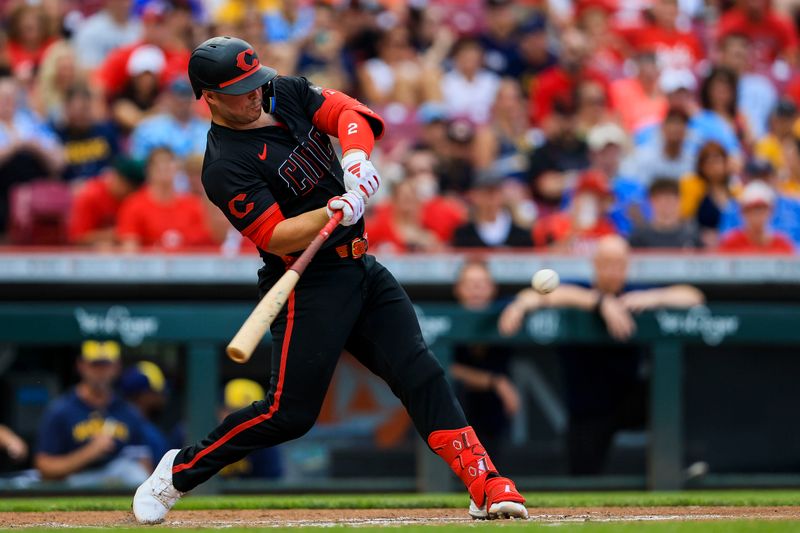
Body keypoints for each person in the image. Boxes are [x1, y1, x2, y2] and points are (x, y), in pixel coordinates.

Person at [132, 36, 527, 524]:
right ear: (208, 96)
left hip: (361, 266)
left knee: (419, 371)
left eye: (254, 81)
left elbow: (348, 114)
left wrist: (356, 160)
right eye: (239, 89)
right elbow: (274, 235)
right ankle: (177, 472)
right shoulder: (223, 165)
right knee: (288, 414)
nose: (254, 93)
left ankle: (484, 481)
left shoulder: (283, 90)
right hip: (307, 284)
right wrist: (334, 208)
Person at [498, 235, 704, 474]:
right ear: (595, 264)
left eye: (619, 264)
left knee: (666, 384)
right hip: (587, 410)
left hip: (628, 399)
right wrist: (600, 303)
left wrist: (653, 298)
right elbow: (539, 295)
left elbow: (693, 296)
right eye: (606, 263)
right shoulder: (579, 287)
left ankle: (676, 467)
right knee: (582, 480)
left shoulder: (634, 292)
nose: (613, 270)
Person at [35, 341, 152, 487]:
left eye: (105, 365)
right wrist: (89, 453)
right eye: (95, 365)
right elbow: (44, 467)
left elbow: (143, 463)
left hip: (118, 476)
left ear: (116, 367)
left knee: (135, 474)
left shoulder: (128, 411)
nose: (100, 372)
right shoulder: (61, 410)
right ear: (81, 365)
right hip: (77, 480)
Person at [450, 259, 519, 459]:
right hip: (455, 413)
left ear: (493, 289)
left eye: (482, 284)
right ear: (458, 289)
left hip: (494, 418)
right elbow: (443, 366)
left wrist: (519, 307)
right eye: (470, 285)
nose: (476, 291)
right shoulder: (449, 319)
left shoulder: (505, 311)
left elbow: (526, 298)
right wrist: (495, 381)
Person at [116, 146, 213, 251]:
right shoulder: (133, 205)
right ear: (148, 170)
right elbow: (129, 248)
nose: (164, 167)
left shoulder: (194, 204)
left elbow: (206, 244)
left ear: (176, 168)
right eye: (159, 164)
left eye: (169, 162)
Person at [68, 156, 145, 247]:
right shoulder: (91, 196)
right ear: (120, 180)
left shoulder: (136, 198)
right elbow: (77, 238)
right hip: (91, 255)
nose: (133, 193)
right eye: (131, 188)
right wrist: (118, 233)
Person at [452, 170, 532, 249]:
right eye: (487, 192)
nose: (492, 198)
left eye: (497, 192)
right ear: (474, 195)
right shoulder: (464, 235)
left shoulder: (521, 235)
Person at [718, 181, 794, 254]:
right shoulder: (730, 243)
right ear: (742, 212)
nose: (757, 214)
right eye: (751, 209)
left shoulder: (783, 244)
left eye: (762, 209)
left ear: (771, 211)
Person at [120, 361, 170, 465]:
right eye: (156, 393)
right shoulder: (144, 432)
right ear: (142, 395)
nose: (162, 397)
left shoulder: (149, 427)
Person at [629, 178, 702, 249]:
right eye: (660, 199)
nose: (666, 204)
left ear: (679, 200)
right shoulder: (639, 235)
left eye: (670, 199)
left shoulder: (692, 234)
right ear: (651, 201)